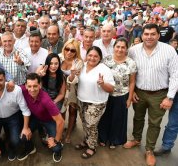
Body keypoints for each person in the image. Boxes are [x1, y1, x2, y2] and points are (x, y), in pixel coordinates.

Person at [124, 24, 178, 166]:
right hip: (139, 92)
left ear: (159, 35)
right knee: (138, 117)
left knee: (154, 123)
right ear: (142, 35)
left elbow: (175, 75)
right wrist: (133, 90)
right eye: (146, 34)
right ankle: (136, 139)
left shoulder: (169, 51)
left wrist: (170, 97)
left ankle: (149, 150)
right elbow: (129, 72)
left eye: (153, 34)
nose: (149, 37)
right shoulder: (133, 51)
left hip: (159, 94)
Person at [75, 46, 115, 159]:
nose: (92, 58)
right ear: (86, 56)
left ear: (100, 58)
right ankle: (86, 141)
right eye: (90, 55)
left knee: (91, 125)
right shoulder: (82, 66)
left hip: (97, 102)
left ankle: (92, 147)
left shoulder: (104, 69)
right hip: (82, 100)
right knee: (84, 123)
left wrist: (102, 84)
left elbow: (111, 88)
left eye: (95, 56)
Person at [98, 37, 137, 149]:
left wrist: (129, 99)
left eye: (123, 47)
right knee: (105, 117)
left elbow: (132, 82)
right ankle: (103, 138)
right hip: (106, 94)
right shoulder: (106, 60)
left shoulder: (131, 63)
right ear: (114, 47)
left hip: (122, 96)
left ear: (126, 49)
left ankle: (115, 140)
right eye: (117, 46)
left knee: (118, 119)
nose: (120, 49)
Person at [20, 73, 65, 163]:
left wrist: (55, 140)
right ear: (25, 86)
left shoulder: (46, 100)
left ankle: (58, 147)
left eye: (35, 86)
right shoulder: (22, 89)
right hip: (36, 118)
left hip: (49, 121)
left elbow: (61, 121)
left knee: (56, 147)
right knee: (23, 136)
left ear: (40, 85)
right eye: (29, 86)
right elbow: (8, 87)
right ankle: (31, 148)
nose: (32, 89)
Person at [59, 39, 83, 143]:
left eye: (72, 50)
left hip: (73, 89)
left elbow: (75, 80)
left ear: (76, 52)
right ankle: (60, 131)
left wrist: (72, 75)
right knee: (62, 111)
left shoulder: (79, 62)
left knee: (72, 111)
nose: (69, 52)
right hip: (60, 89)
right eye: (67, 49)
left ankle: (68, 134)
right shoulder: (59, 57)